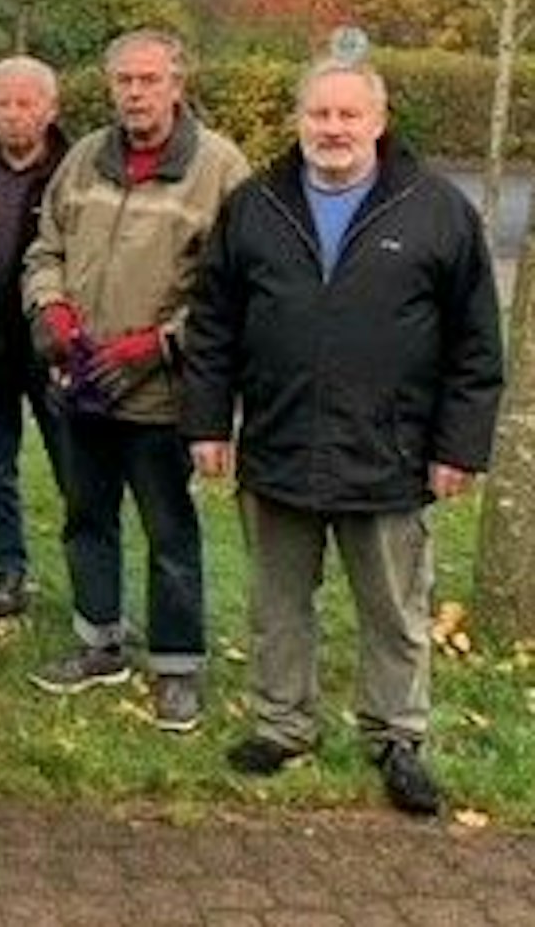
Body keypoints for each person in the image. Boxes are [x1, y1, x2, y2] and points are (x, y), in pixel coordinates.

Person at [183, 59, 502, 813]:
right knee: (277, 603)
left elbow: (476, 344)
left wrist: (460, 446)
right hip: (279, 441)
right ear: (299, 119)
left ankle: (397, 735)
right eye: (319, 115)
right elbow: (213, 325)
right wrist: (206, 421)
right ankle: (282, 721)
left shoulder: (436, 210)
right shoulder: (255, 205)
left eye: (348, 116)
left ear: (379, 121)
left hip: (389, 452)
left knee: (395, 609)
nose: (332, 130)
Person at [22, 29, 250, 732]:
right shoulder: (86, 157)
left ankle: (177, 666)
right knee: (85, 516)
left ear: (177, 83)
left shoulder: (219, 168)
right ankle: (98, 642)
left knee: (168, 530)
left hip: (161, 394)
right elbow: (45, 246)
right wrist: (51, 309)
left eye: (149, 80)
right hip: (81, 379)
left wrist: (155, 345)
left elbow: (233, 291)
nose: (135, 93)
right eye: (123, 80)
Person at [0, 56, 73, 619]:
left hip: (52, 346)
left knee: (73, 464)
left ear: (51, 109)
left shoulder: (77, 170)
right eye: (3, 102)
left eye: (27, 103)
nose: (14, 115)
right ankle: (8, 569)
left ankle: (89, 576)